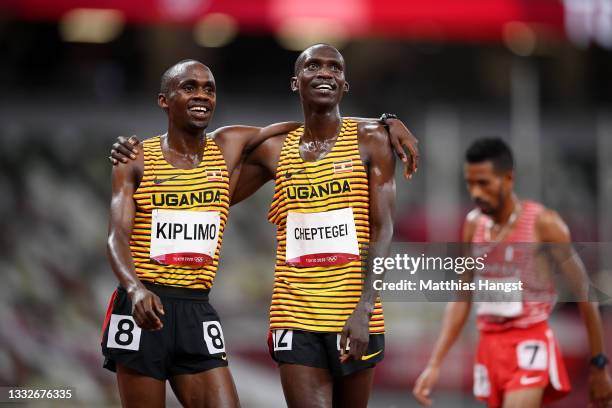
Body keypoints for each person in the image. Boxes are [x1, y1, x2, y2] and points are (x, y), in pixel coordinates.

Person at [105, 55, 418, 407]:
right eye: (189, 87)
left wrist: (385, 121)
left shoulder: (231, 144)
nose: (201, 96)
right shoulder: (136, 158)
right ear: (164, 100)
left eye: (209, 89)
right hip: (148, 302)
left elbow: (317, 122)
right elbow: (116, 235)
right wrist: (135, 289)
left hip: (196, 306)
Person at [412, 138, 612, 408]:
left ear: (508, 178)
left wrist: (599, 366)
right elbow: (462, 297)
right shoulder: (473, 225)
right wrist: (434, 364)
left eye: (484, 183)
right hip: (490, 348)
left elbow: (587, 295)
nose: (476, 193)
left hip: (530, 341)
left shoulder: (545, 224)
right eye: (470, 183)